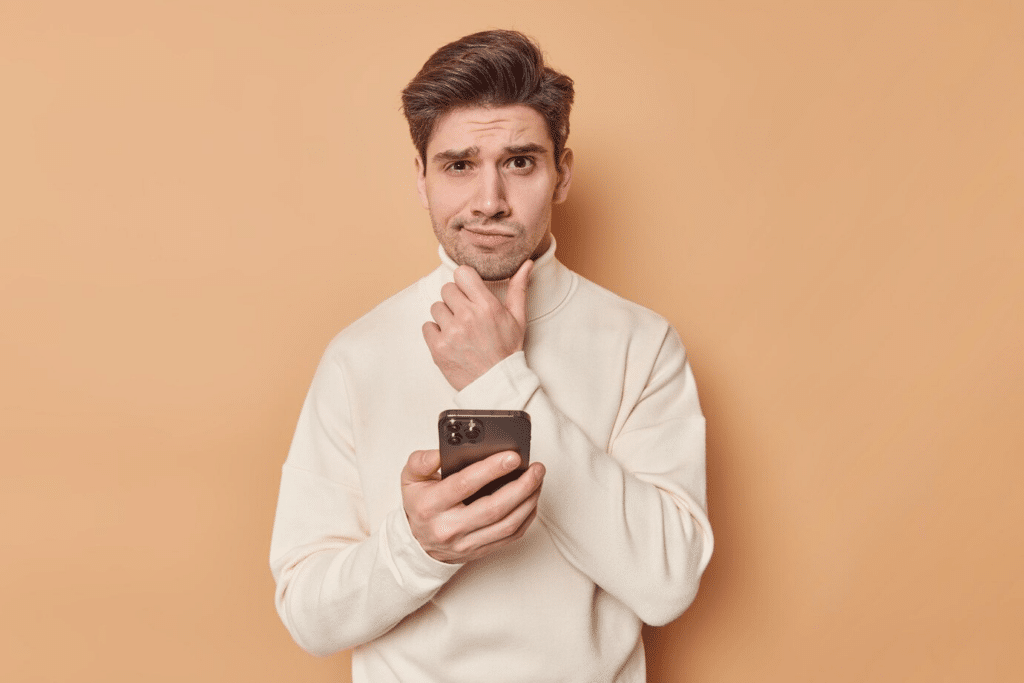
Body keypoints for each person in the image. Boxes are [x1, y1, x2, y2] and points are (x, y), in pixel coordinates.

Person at [270, 29, 713, 683]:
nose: (489, 201)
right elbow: (309, 616)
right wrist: (416, 547)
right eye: (458, 165)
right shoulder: (356, 357)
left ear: (562, 173)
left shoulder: (642, 344)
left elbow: (667, 583)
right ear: (420, 179)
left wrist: (502, 379)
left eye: (520, 162)